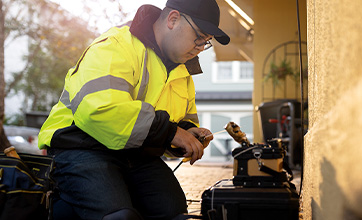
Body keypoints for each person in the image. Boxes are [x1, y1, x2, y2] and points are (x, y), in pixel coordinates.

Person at [38, 0, 230, 219]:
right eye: (199, 36)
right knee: (120, 216)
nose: (200, 47)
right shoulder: (116, 45)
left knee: (173, 212)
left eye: (206, 42)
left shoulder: (183, 70)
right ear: (173, 19)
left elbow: (175, 122)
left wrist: (187, 133)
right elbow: (101, 109)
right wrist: (173, 133)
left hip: (136, 152)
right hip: (81, 146)